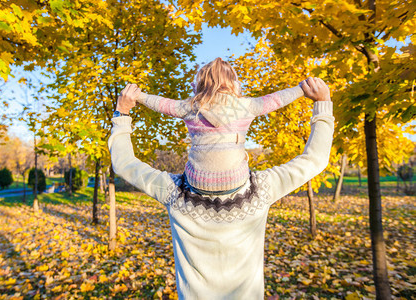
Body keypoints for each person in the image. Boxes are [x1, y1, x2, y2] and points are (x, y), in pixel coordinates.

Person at [108, 77, 334, 299]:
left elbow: (124, 163)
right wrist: (322, 105)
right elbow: (315, 159)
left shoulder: (174, 193)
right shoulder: (260, 191)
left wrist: (122, 113)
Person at [136, 57, 304, 195]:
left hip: (197, 182)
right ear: (233, 83)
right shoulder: (246, 106)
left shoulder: (190, 107)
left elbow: (161, 104)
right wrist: (301, 89)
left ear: (201, 83)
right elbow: (277, 99)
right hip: (235, 181)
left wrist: (139, 96)